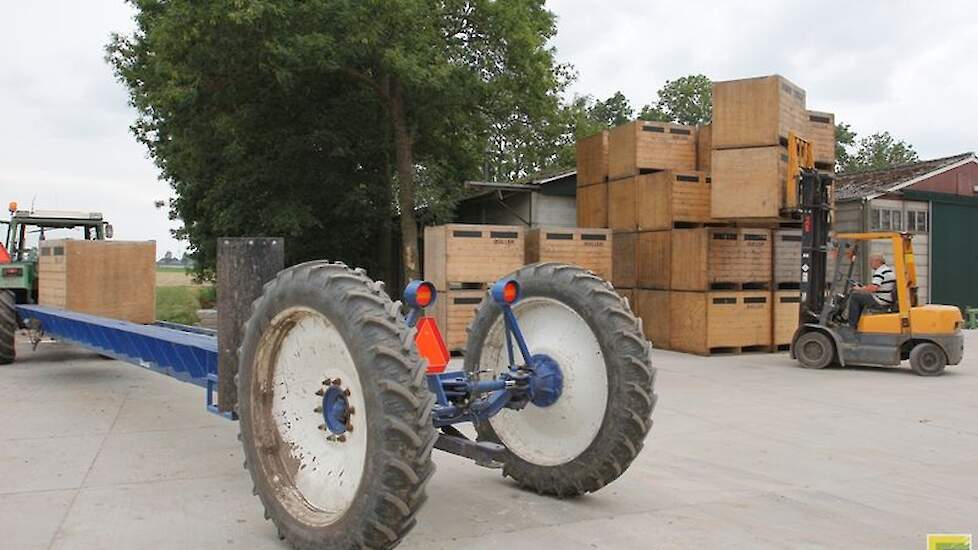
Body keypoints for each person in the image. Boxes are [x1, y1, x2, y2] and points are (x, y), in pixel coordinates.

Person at [848, 254, 896, 328]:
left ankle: (852, 325)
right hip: (885, 299)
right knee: (861, 297)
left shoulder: (880, 272)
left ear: (877, 261)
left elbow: (873, 288)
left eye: (871, 262)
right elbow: (876, 286)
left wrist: (859, 289)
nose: (870, 264)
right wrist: (863, 287)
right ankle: (857, 322)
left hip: (880, 301)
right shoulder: (888, 270)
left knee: (855, 296)